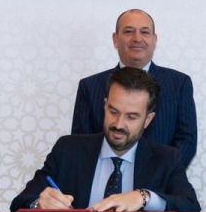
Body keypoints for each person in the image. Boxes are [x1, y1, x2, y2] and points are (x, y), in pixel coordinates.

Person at [12, 67, 200, 212]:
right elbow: (20, 202)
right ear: (105, 105)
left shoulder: (166, 159)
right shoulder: (68, 150)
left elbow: (190, 207)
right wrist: (39, 204)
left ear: (148, 120)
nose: (118, 124)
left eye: (131, 117)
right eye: (113, 111)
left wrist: (144, 197)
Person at [70, 9, 197, 167]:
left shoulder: (179, 84)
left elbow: (187, 140)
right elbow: (80, 144)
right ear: (115, 39)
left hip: (160, 179)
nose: (137, 38)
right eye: (129, 31)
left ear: (154, 40)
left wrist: (160, 176)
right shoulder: (89, 86)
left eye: (144, 32)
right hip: (106, 178)